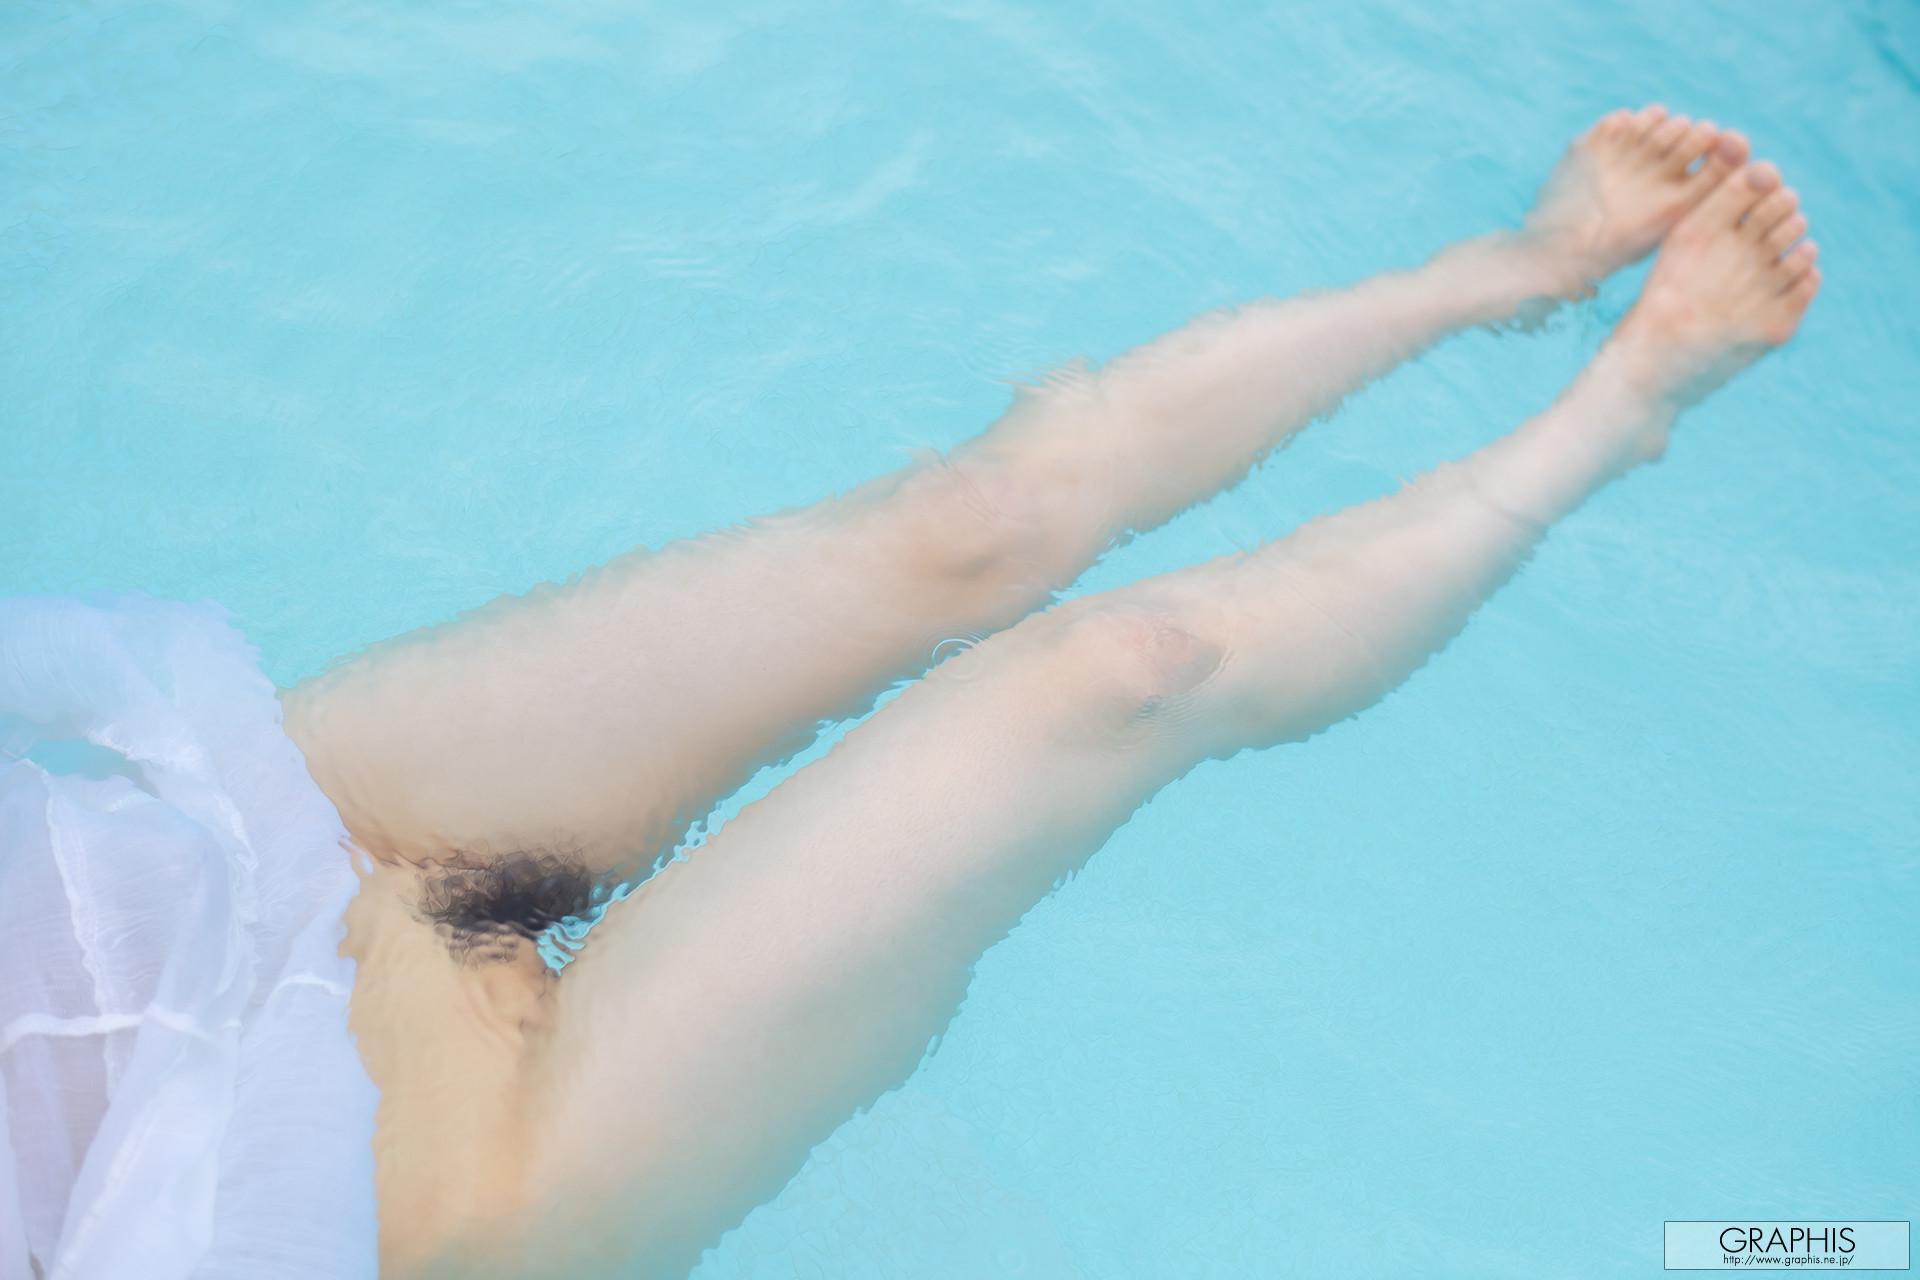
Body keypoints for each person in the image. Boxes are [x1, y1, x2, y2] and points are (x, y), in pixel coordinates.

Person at [0, 106, 1819, 1279]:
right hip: (452, 1187)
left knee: (972, 523)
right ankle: (1620, 410)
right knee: (1115, 674)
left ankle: (1505, 276)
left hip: (269, 835)